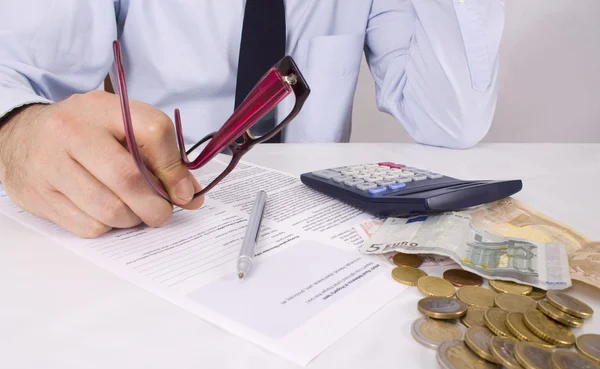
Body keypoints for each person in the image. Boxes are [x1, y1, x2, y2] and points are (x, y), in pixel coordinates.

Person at [0, 1, 504, 238]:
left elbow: (450, 120)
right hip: (156, 214)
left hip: (320, 227)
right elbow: (18, 72)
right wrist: (17, 128)